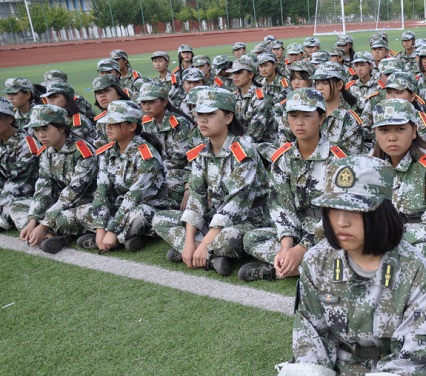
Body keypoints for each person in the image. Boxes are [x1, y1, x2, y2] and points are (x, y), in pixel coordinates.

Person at [239, 155, 426, 376]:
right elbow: (310, 335)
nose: (341, 222)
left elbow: (412, 358)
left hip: (396, 375)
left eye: (355, 211)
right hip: (339, 368)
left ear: (380, 213)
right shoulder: (317, 260)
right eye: (333, 209)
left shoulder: (415, 268)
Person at [152, 88, 269, 276]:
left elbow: (235, 205)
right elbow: (196, 198)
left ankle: (202, 250)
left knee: (230, 237)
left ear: (228, 118)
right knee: (160, 219)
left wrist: (203, 243)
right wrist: (189, 242)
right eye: (199, 115)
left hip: (249, 218)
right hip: (215, 215)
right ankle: (212, 258)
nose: (203, 120)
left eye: (211, 114)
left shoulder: (243, 152)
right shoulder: (201, 152)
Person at [239, 88, 345, 282]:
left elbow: (338, 213)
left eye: (307, 116)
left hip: (329, 231)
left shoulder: (338, 160)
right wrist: (286, 246)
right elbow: (281, 206)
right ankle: (296, 265)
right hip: (298, 228)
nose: (299, 122)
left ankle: (277, 271)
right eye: (294, 116)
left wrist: (302, 248)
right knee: (251, 239)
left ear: (321, 118)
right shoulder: (282, 158)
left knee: (344, 250)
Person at [76, 100, 172, 253]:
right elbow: (102, 190)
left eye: (114, 123)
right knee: (82, 210)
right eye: (107, 123)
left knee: (140, 214)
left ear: (132, 126)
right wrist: (100, 227)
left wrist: (112, 230)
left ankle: (116, 239)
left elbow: (134, 197)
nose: (108, 127)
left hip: (147, 205)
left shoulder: (147, 156)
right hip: (119, 205)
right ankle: (122, 237)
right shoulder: (107, 152)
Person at [371, 98, 426, 266]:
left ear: (414, 131)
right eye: (384, 130)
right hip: (383, 238)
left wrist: (388, 239)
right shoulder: (370, 166)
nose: (392, 137)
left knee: (415, 254)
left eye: (400, 129)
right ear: (375, 133)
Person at [10, 105, 97, 254]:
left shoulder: (83, 152)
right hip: (58, 203)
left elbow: (72, 193)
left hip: (83, 202)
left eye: (45, 128)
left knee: (64, 218)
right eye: (36, 130)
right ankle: (51, 235)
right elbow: (43, 186)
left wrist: (44, 224)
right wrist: (33, 220)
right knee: (18, 205)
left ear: (61, 128)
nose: (40, 135)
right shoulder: (46, 151)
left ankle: (52, 232)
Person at [310, 62, 367, 154]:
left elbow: (349, 157)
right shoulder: (310, 113)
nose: (319, 87)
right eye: (317, 83)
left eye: (325, 83)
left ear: (339, 85)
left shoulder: (349, 120)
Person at [0, 99, 39, 231]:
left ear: (10, 119)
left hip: (26, 196)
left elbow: (20, 185)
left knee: (15, 211)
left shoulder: (27, 146)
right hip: (6, 196)